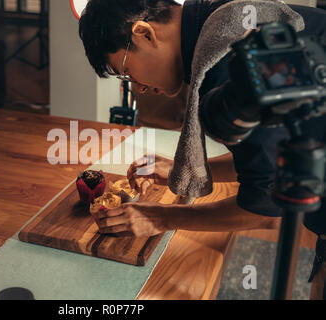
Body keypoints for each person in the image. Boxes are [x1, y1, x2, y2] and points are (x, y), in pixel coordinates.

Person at [78, 0, 326, 299]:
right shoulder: (224, 22)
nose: (138, 89)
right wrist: (187, 167)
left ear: (145, 33)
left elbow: (265, 208)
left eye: (127, 72)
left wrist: (160, 217)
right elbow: (273, 158)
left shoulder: (224, 61)